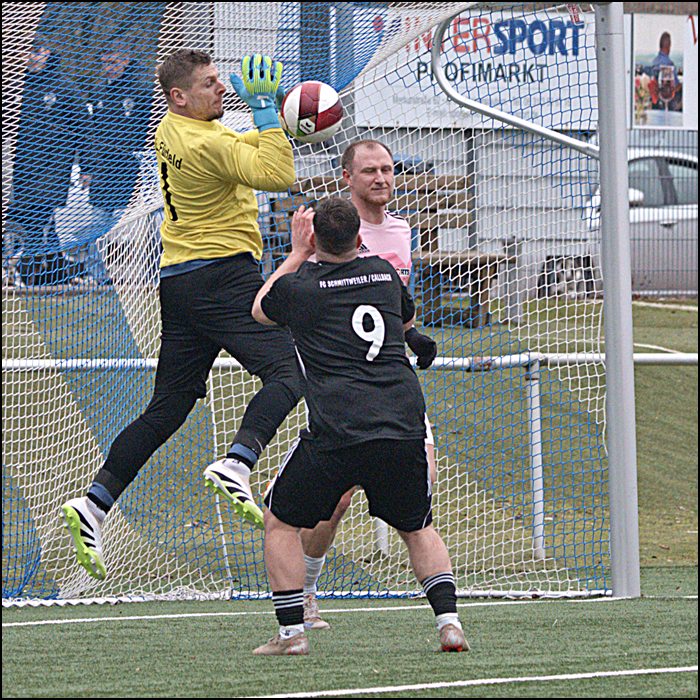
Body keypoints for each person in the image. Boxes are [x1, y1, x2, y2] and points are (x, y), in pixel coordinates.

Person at [61, 50, 301, 581]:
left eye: (218, 80)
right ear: (179, 96)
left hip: (179, 282)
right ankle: (238, 461)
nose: (222, 88)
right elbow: (278, 173)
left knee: (168, 407)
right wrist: (268, 114)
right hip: (222, 277)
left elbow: (238, 151)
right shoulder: (205, 141)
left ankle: (95, 503)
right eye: (210, 83)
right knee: (292, 369)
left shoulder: (174, 129)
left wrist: (274, 126)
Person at [250, 198, 467, 655]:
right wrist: (413, 337)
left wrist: (297, 252)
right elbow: (404, 319)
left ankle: (291, 634)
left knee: (279, 520)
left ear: (314, 237)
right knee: (418, 527)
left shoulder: (302, 287)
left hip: (339, 428)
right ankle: (450, 625)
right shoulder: (385, 274)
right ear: (359, 237)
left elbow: (260, 309)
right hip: (401, 422)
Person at [299, 139, 439, 630]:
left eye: (387, 169)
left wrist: (412, 335)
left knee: (422, 487)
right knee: (334, 500)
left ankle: (445, 612)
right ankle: (306, 593)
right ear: (347, 177)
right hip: (341, 386)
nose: (380, 178)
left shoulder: (401, 230)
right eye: (369, 171)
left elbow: (396, 301)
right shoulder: (329, 233)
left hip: (393, 385)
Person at [5, 34, 88, 287]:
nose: (30, 57)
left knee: (36, 222)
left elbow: (84, 131)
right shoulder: (17, 88)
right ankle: (55, 275)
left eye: (36, 51)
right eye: (26, 52)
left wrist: (86, 167)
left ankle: (31, 279)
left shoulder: (64, 87)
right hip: (21, 171)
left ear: (47, 52)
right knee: (38, 225)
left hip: (51, 171)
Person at [77, 37, 156, 282]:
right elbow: (91, 135)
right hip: (104, 176)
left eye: (112, 62)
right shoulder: (100, 92)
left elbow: (152, 134)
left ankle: (141, 278)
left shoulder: (143, 91)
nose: (108, 68)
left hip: (132, 176)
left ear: (125, 60)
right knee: (95, 230)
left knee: (133, 232)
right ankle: (98, 278)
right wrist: (88, 168)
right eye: (104, 63)